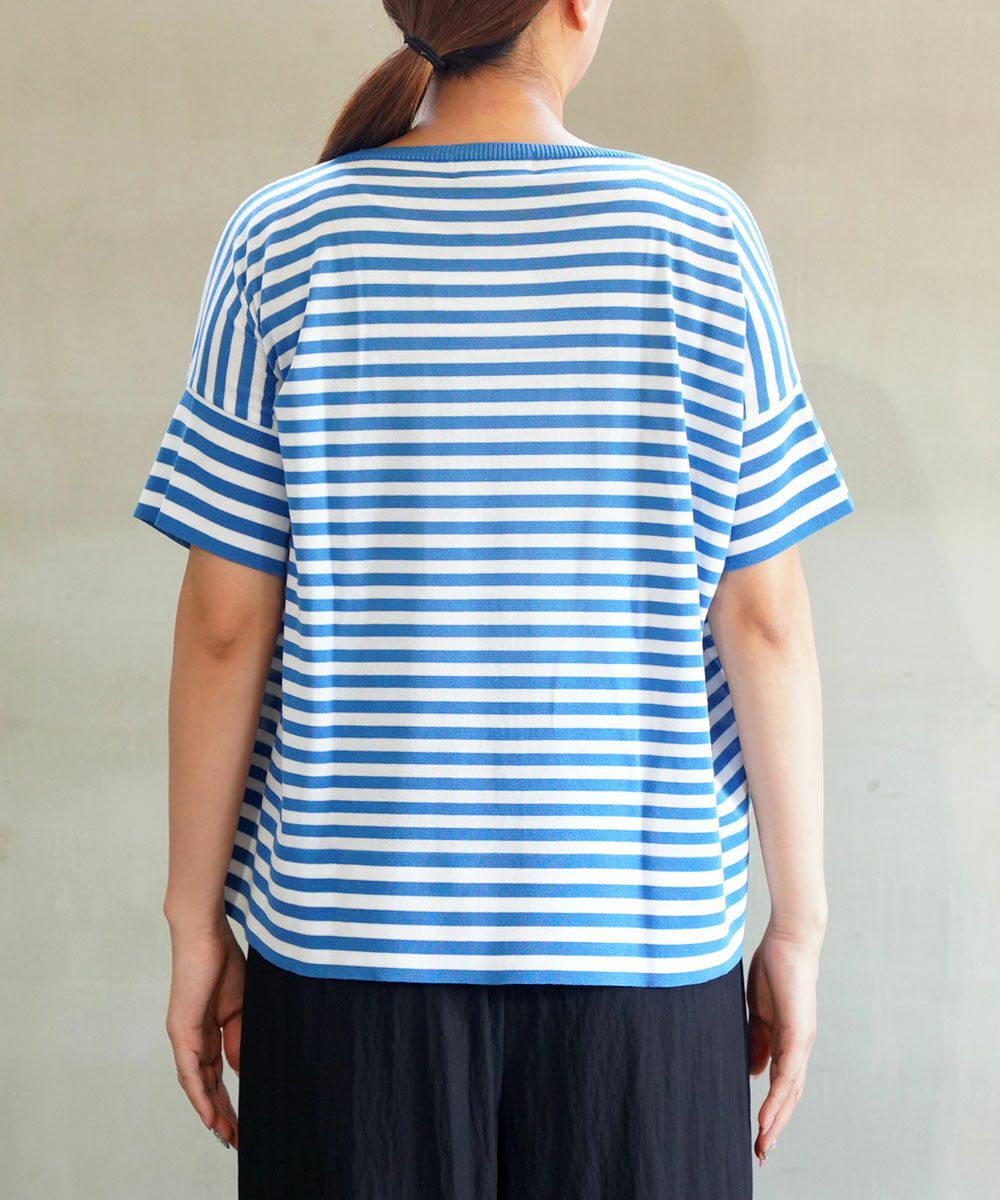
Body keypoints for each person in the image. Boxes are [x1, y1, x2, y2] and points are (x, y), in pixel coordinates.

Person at [132, 1, 855, 1196]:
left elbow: (223, 627)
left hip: (346, 958)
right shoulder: (699, 235)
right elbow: (765, 623)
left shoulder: (281, 237)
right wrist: (799, 926)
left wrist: (193, 921)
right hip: (640, 955)